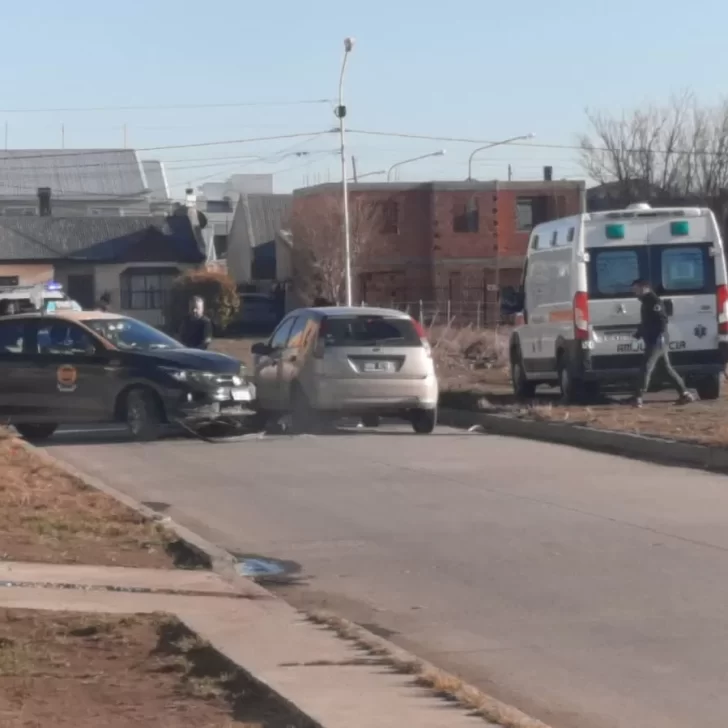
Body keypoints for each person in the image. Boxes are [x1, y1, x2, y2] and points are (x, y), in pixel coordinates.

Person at [631, 278, 693, 408]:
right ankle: (685, 394)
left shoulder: (654, 301)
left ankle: (638, 397)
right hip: (655, 340)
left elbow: (662, 321)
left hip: (657, 341)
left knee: (646, 367)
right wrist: (639, 333)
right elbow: (647, 322)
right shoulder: (646, 302)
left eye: (636, 289)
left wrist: (656, 336)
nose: (635, 292)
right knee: (666, 369)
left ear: (644, 288)